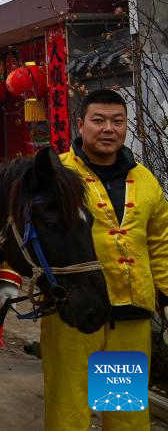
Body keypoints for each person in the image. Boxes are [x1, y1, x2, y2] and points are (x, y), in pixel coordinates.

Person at [44, 88, 168, 431]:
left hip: (130, 312)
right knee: (70, 408)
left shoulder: (144, 179)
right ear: (80, 125)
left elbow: (160, 240)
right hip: (72, 311)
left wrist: (165, 292)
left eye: (117, 121)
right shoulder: (56, 176)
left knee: (124, 410)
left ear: (126, 126)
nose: (108, 129)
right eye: (98, 121)